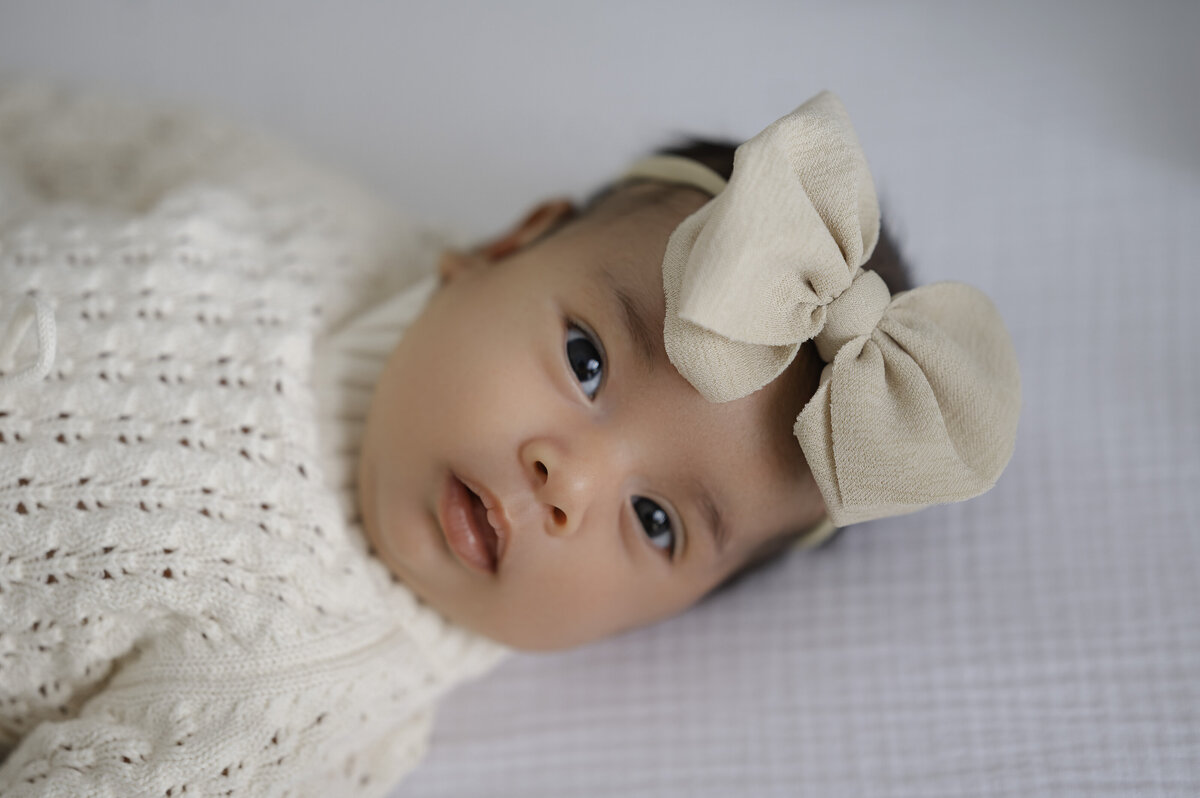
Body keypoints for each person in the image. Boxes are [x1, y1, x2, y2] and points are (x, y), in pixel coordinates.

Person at [0, 79, 1020, 795]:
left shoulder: (296, 683)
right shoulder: (305, 212)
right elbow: (77, 138)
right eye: (587, 361)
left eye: (656, 522)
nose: (568, 481)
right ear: (505, 245)